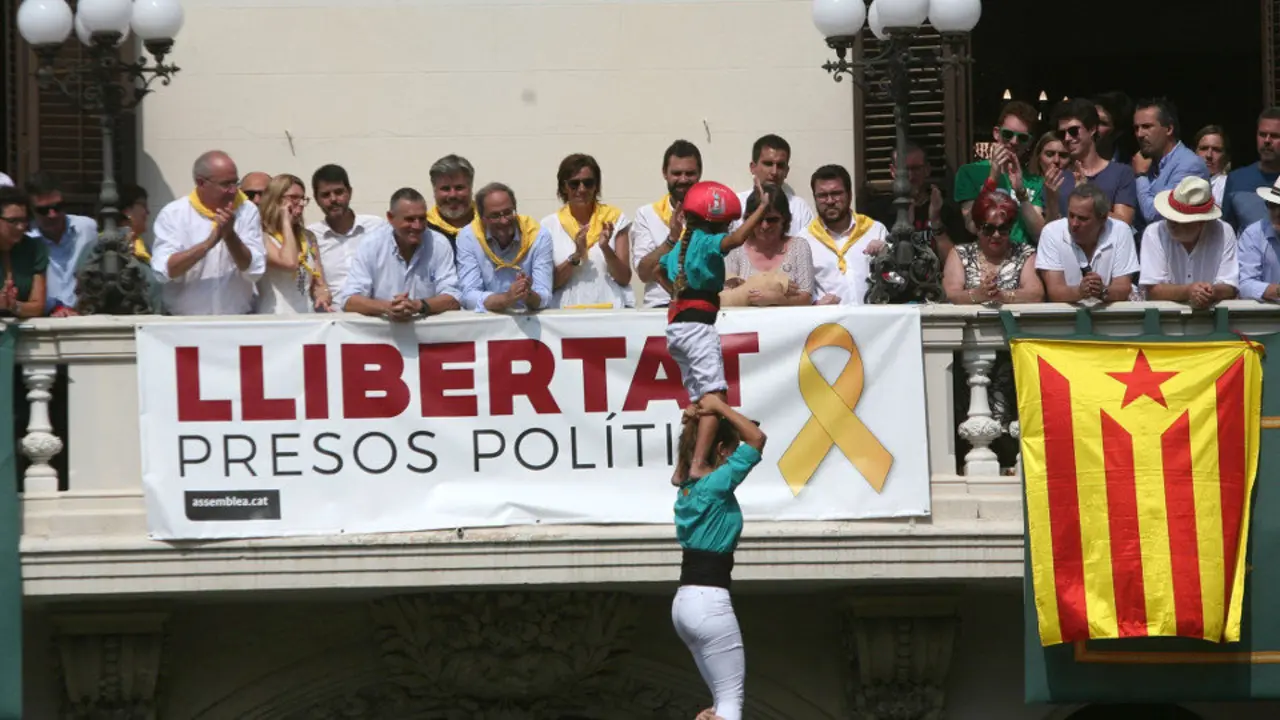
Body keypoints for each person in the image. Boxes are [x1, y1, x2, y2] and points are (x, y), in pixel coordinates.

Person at [658, 179, 768, 483]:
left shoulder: (681, 244)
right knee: (715, 396)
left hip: (677, 327)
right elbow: (734, 241)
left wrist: (678, 294)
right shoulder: (705, 241)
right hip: (697, 328)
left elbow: (655, 268)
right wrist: (759, 211)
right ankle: (696, 464)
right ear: (714, 222)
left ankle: (681, 469)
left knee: (699, 402)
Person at [671, 393, 767, 720]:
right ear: (723, 451)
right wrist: (717, 408)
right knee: (730, 705)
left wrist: (697, 422)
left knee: (718, 706)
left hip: (685, 604)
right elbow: (757, 439)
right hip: (709, 601)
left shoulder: (685, 488)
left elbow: (682, 467)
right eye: (730, 450)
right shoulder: (715, 485)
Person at [150, 150, 267, 315]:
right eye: (226, 184)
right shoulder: (174, 214)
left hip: (236, 322)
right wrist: (208, 244)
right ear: (201, 183)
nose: (234, 190)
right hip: (185, 326)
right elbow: (164, 271)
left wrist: (230, 236)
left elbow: (255, 270)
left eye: (235, 182)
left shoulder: (247, 211)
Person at [339, 188, 461, 320]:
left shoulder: (439, 244)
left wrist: (419, 305)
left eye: (422, 218)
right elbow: (349, 301)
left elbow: (454, 298)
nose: (417, 226)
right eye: (410, 219)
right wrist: (388, 307)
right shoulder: (371, 245)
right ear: (390, 218)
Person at [543, 153, 632, 309]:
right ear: (564, 187)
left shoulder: (615, 219)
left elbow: (624, 278)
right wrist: (576, 256)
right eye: (574, 184)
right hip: (566, 313)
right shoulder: (549, 225)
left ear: (596, 185)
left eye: (588, 183)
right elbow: (548, 284)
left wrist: (606, 249)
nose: (582, 189)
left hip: (610, 310)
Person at [953, 100, 1045, 245]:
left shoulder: (1036, 182)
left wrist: (1021, 193)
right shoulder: (969, 172)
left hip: (1024, 260)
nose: (1014, 142)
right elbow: (972, 226)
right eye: (1008, 134)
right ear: (996, 133)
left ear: (1030, 143)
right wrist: (993, 178)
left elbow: (1040, 235)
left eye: (1022, 138)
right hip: (985, 260)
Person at [1138, 176, 1238, 309]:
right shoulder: (1154, 232)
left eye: (1180, 220)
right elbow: (1152, 290)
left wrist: (1210, 292)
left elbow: (1230, 286)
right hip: (1164, 320)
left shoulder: (1224, 231)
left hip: (1211, 318)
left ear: (1201, 222)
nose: (1172, 223)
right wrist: (1188, 291)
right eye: (1169, 216)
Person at [455, 182, 554, 313]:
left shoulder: (538, 235)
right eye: (495, 216)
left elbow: (545, 295)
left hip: (528, 321)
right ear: (482, 218)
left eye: (508, 212)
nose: (504, 221)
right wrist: (506, 299)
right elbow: (468, 296)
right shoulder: (468, 237)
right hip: (487, 322)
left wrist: (528, 295)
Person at [1035, 184, 1138, 304]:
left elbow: (1123, 287)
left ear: (1103, 218)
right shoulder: (1051, 232)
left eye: (1082, 219)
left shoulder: (1121, 231)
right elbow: (1055, 291)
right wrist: (1080, 293)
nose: (1074, 224)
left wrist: (1102, 291)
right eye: (1071, 215)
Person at [802, 164, 887, 306]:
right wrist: (816, 304)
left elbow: (897, 278)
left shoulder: (875, 230)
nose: (829, 201)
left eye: (836, 193)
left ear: (850, 195)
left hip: (874, 322)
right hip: (831, 324)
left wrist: (886, 253)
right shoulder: (804, 240)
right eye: (822, 195)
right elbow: (799, 290)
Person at [634, 140, 704, 308]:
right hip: (660, 307)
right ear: (665, 173)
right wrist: (671, 240)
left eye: (690, 173)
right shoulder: (647, 214)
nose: (683, 179)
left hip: (704, 305)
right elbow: (644, 274)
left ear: (700, 173)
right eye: (676, 173)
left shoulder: (712, 213)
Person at [943, 189, 1043, 306]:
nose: (996, 235)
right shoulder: (960, 254)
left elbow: (1036, 294)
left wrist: (1002, 296)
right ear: (977, 226)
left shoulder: (1025, 253)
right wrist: (977, 295)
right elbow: (951, 295)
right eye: (989, 229)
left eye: (1003, 229)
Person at [722, 185, 815, 306]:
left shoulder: (799, 246)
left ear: (784, 219)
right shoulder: (735, 249)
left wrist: (777, 299)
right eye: (758, 219)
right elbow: (726, 299)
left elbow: (806, 298)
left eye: (772, 220)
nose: (765, 226)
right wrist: (771, 283)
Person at [1050, 98, 1137, 225]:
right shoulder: (1056, 178)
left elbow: (1124, 223)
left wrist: (1089, 199)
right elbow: (1048, 229)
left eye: (1073, 131)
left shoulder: (1121, 173)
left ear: (1092, 129)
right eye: (1062, 133)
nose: (1067, 138)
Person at [1130, 98, 1210, 234]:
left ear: (1169, 129)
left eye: (1147, 127)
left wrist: (1140, 176)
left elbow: (1155, 215)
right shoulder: (1143, 163)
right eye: (1136, 128)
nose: (1140, 134)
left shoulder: (1190, 165)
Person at [256, 174, 332, 314]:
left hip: (305, 317)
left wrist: (323, 294)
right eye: (294, 198)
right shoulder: (260, 236)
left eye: (303, 199)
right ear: (276, 200)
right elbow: (290, 263)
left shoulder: (308, 237)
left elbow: (319, 283)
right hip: (273, 316)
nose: (301, 204)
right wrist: (286, 221)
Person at [25, 172, 97, 316]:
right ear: (32, 211)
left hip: (87, 316)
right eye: (43, 210)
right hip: (45, 322)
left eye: (58, 207)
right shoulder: (26, 240)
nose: (52, 215)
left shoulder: (87, 229)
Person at [308, 164, 386, 295]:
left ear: (349, 192)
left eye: (339, 192)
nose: (333, 199)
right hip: (331, 313)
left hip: (375, 311)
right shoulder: (310, 236)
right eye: (326, 195)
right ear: (316, 199)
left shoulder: (377, 227)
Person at [730, 135, 815, 237]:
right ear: (753, 167)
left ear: (786, 171)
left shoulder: (800, 208)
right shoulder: (735, 204)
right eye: (768, 164)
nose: (774, 172)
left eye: (780, 166)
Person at [1222, 108, 1280, 231]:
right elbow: (1227, 231)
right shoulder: (1236, 179)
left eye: (1275, 136)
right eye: (1262, 134)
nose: (1267, 141)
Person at [0, 187, 48, 318]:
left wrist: (13, 305)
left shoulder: (34, 248)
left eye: (24, 220)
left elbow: (38, 306)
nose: (21, 227)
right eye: (13, 221)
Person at [1236, 177, 1280, 301]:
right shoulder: (1254, 234)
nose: (1277, 213)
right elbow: (1245, 285)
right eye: (1272, 205)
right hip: (1265, 318)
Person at [426, 154, 476, 246]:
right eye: (445, 189)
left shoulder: (489, 224)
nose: (453, 195)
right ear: (434, 190)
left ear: (471, 188)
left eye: (459, 188)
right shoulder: (422, 230)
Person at [1192, 125, 1231, 206]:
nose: (1209, 155)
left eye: (1216, 150)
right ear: (1194, 152)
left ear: (1226, 156)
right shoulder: (1181, 181)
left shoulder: (1229, 186)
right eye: (1204, 148)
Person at [120, 184, 152, 262]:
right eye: (144, 205)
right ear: (128, 211)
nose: (148, 212)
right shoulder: (105, 246)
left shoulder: (143, 247)